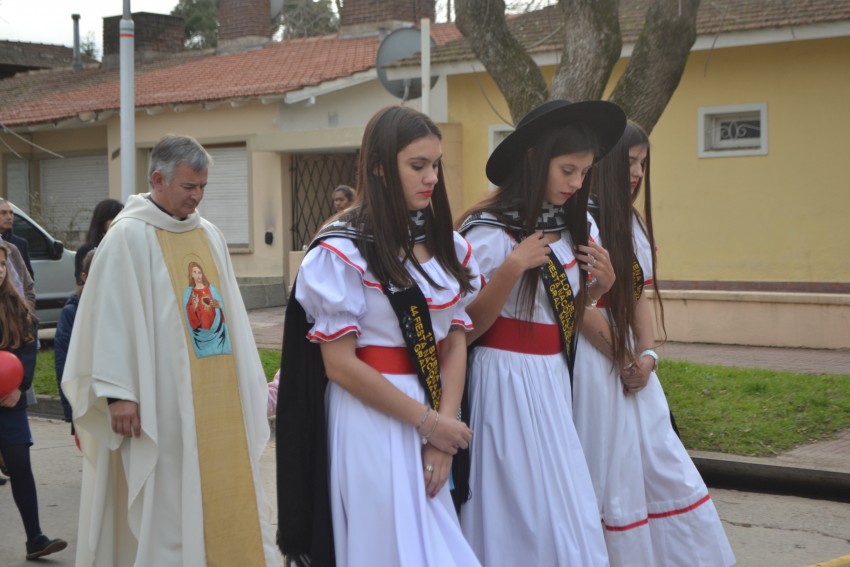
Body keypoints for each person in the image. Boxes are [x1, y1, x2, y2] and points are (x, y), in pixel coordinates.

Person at [277, 105, 481, 566]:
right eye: (417, 166)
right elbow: (339, 365)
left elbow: (454, 341)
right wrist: (430, 424)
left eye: (435, 165)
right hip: (370, 419)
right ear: (379, 168)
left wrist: (442, 433)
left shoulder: (449, 246)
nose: (431, 177)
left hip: (430, 415)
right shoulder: (343, 249)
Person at [61, 134, 278, 566]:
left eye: (202, 188)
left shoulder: (209, 234)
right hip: (159, 400)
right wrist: (119, 393)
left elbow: (228, 313)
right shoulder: (127, 237)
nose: (196, 198)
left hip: (217, 401)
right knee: (170, 499)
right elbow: (109, 318)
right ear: (158, 179)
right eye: (188, 187)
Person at [457, 99, 626, 565]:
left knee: (566, 502)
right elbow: (462, 330)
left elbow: (562, 319)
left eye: (584, 173)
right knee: (518, 506)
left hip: (552, 380)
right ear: (534, 159)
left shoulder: (574, 228)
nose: (576, 183)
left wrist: (596, 291)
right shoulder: (487, 232)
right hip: (503, 384)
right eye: (568, 170)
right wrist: (510, 269)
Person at [572, 120, 735, 565]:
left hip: (633, 369)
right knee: (609, 473)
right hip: (593, 364)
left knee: (664, 469)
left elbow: (636, 293)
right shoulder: (583, 221)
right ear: (604, 165)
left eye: (643, 163)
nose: (638, 172)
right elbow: (579, 307)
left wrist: (647, 355)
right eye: (629, 162)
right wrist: (623, 357)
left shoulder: (633, 224)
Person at [0, 242, 68, 560]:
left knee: (21, 466)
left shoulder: (16, 305)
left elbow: (28, 349)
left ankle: (35, 539)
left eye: (2, 265)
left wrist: (20, 387)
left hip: (10, 401)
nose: (0, 270)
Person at [54, 249, 95, 425]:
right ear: (84, 277)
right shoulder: (72, 312)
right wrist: (70, 407)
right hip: (85, 401)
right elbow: (63, 362)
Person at [184, 260, 231, 357]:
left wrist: (217, 304)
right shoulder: (189, 292)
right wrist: (195, 305)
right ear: (191, 275)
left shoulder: (211, 288)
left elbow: (221, 304)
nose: (198, 275)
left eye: (199, 272)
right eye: (195, 272)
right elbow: (188, 310)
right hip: (202, 330)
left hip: (216, 328)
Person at [74, 198, 124, 285]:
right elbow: (81, 283)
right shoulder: (86, 250)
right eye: (114, 218)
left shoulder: (125, 246)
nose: (119, 222)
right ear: (102, 221)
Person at [0, 199, 34, 279]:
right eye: (3, 213)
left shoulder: (20, 244)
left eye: (11, 213)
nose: (9, 217)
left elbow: (28, 278)